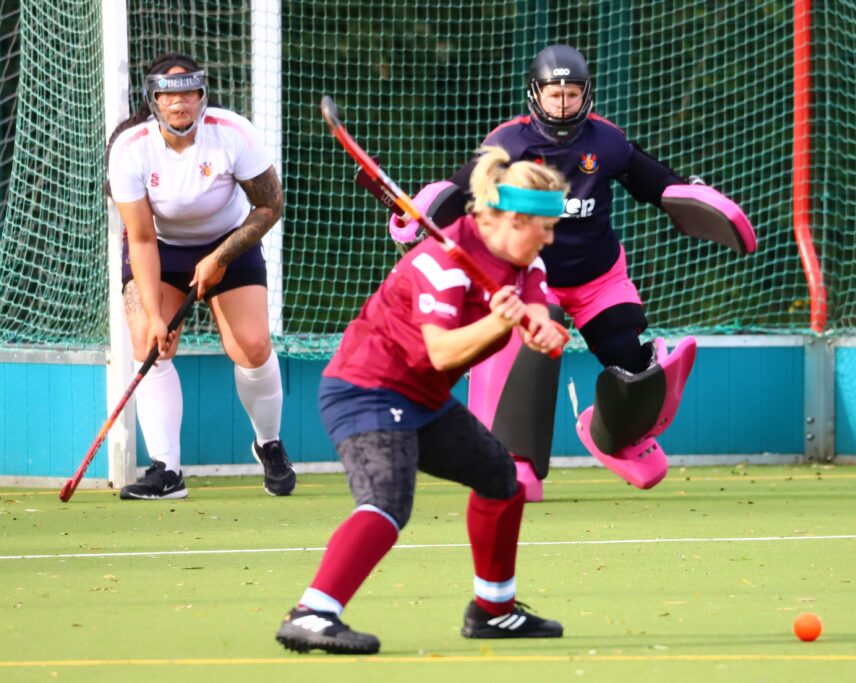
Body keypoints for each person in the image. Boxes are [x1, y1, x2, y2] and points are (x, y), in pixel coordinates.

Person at [387, 45, 755, 501]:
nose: (563, 103)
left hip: (598, 276)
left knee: (631, 357)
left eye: (572, 93)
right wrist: (421, 209)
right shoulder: (509, 143)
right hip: (529, 276)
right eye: (555, 93)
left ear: (586, 95)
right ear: (536, 94)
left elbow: (655, 182)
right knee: (528, 356)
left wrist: (697, 197)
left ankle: (616, 436)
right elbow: (462, 189)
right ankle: (513, 461)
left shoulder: (607, 142)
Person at [274, 146, 569, 655]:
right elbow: (441, 352)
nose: (549, 238)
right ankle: (313, 613)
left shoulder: (525, 259)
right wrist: (499, 321)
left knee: (502, 479)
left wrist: (540, 328)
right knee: (387, 499)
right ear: (513, 220)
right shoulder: (441, 265)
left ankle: (493, 610)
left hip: (424, 398)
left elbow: (536, 305)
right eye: (543, 228)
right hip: (367, 389)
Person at [105, 53, 296, 500]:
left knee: (252, 346)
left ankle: (269, 444)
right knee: (148, 342)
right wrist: (156, 316)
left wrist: (220, 257)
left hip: (230, 240)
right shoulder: (130, 148)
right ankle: (167, 471)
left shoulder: (233, 133)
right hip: (160, 247)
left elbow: (270, 206)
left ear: (202, 95)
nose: (180, 103)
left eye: (189, 92)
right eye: (169, 95)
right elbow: (141, 239)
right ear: (154, 100)